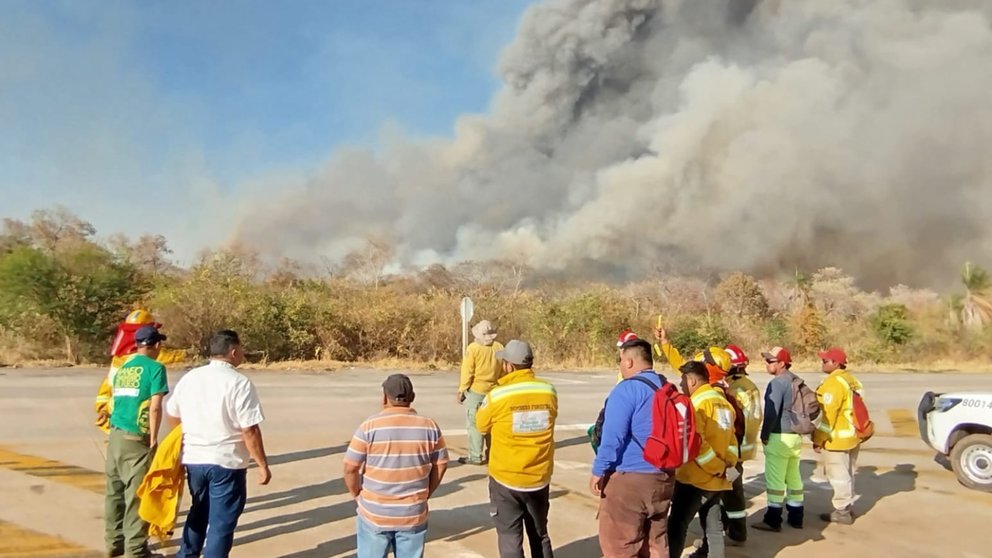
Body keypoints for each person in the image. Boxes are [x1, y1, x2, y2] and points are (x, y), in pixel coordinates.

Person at [166, 330, 270, 558]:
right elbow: (249, 429)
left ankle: (187, 554)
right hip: (226, 463)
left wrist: (187, 436)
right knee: (221, 524)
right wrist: (262, 464)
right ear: (233, 352)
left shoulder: (191, 377)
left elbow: (172, 412)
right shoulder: (239, 382)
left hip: (194, 460)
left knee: (198, 513)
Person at [344, 374, 449, 557]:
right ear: (412, 398)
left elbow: (350, 468)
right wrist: (425, 495)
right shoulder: (429, 427)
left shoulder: (369, 427)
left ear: (384, 398)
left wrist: (357, 494)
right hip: (413, 514)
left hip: (374, 513)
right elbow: (441, 464)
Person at [591, 338, 675, 558]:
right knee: (656, 544)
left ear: (629, 362)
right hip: (663, 478)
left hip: (630, 480)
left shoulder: (627, 390)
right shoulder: (667, 386)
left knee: (620, 547)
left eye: (620, 361)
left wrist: (598, 470)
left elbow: (613, 438)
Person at [477, 340, 558, 558]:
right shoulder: (548, 391)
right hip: (539, 477)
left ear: (509, 366)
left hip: (506, 477)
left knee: (510, 537)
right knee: (540, 534)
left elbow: (481, 425)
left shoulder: (497, 396)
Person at [105, 325, 169, 558]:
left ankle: (114, 543)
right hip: (136, 437)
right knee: (137, 494)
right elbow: (155, 407)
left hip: (116, 435)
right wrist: (153, 439)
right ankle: (136, 551)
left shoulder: (124, 367)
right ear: (157, 345)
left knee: (115, 492)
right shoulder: (156, 369)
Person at [667, 361, 740, 558]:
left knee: (677, 524)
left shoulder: (697, 405)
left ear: (692, 380)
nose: (681, 386)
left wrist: (716, 467)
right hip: (718, 480)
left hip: (696, 478)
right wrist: (728, 464)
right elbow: (732, 440)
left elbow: (695, 444)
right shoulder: (724, 403)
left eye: (683, 381)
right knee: (713, 526)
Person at [752, 347, 805, 532]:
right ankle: (797, 515)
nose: (767, 364)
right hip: (794, 436)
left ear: (782, 363)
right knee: (793, 477)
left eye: (770, 361)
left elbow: (771, 412)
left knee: (775, 480)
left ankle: (773, 519)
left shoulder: (777, 383)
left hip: (779, 436)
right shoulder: (794, 380)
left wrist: (765, 434)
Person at [813, 347, 863, 525]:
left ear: (836, 363)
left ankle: (841, 511)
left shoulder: (833, 384)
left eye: (825, 361)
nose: (822, 363)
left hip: (837, 439)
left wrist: (818, 439)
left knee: (838, 475)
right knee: (848, 473)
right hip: (853, 436)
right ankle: (847, 507)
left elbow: (828, 416)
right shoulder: (851, 380)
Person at [719, 345, 762, 547]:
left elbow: (732, 421)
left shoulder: (735, 389)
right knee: (732, 490)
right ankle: (732, 528)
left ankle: (736, 532)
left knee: (732, 492)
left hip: (735, 449)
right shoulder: (749, 385)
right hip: (745, 447)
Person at [96, 309, 164, 433]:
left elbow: (107, 387)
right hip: (135, 424)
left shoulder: (118, 359)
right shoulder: (150, 360)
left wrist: (103, 409)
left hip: (115, 421)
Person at [458, 320, 504, 465]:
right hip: (494, 392)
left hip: (477, 391)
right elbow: (503, 370)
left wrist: (462, 389)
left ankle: (475, 456)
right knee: (492, 425)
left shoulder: (473, 348)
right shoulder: (499, 347)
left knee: (475, 425)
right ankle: (492, 454)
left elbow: (468, 371)